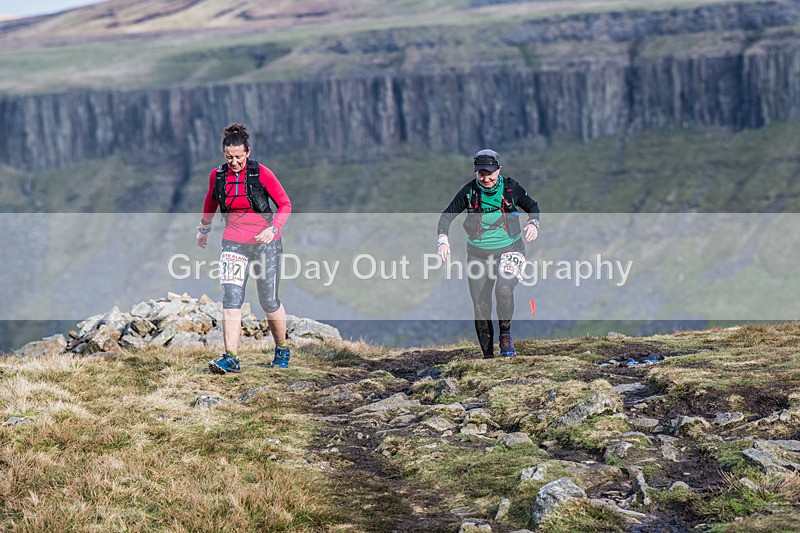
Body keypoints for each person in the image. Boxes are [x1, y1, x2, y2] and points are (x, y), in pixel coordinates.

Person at [197, 123, 293, 372]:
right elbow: (210, 201)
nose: (234, 162)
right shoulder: (217, 176)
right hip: (233, 243)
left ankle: (282, 349)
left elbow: (284, 204)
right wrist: (203, 229)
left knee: (268, 300)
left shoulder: (262, 173)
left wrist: (273, 229)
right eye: (229, 157)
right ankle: (231, 358)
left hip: (266, 243)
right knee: (231, 298)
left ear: (248, 152)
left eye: (239, 157)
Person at [437, 149, 539, 358]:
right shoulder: (469, 191)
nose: (485, 178)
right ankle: (487, 356)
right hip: (478, 255)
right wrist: (442, 241)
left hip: (511, 251)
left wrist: (534, 223)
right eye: (481, 174)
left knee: (503, 290)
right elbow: (446, 216)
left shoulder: (510, 188)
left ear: (499, 170)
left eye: (490, 173)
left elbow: (533, 206)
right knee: (480, 306)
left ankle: (505, 335)